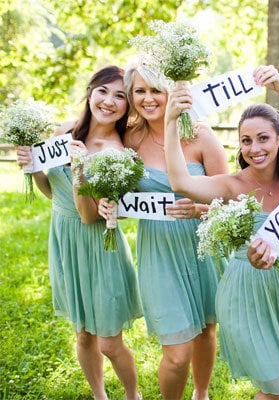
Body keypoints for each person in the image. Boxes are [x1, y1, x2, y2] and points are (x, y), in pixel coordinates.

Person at [164, 73, 279, 399]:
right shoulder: (231, 186)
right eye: (246, 141)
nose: (254, 148)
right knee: (278, 393)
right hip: (247, 292)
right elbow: (180, 181)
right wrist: (170, 120)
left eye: (263, 138)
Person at [101, 62, 228, 400]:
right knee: (176, 354)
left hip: (202, 244)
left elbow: (230, 197)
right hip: (158, 251)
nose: (147, 98)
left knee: (205, 332)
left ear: (172, 91)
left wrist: (201, 208)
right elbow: (119, 192)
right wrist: (108, 203)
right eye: (139, 91)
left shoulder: (200, 135)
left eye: (155, 89)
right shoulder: (128, 138)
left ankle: (200, 394)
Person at [16, 66, 143, 400]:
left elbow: (88, 217)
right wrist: (33, 167)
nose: (109, 101)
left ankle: (133, 396)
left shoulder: (117, 153)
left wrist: (80, 172)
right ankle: (99, 395)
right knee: (83, 334)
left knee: (110, 343)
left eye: (120, 96)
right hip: (64, 240)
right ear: (90, 92)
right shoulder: (65, 132)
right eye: (103, 91)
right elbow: (51, 192)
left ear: (128, 106)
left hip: (99, 247)